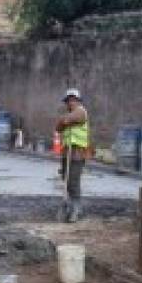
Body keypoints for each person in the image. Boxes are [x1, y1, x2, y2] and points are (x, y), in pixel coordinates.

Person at [54, 88, 89, 222]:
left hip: (78, 153)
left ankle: (76, 208)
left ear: (78, 101)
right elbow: (58, 127)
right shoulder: (68, 114)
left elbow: (68, 120)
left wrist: (64, 120)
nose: (71, 103)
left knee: (73, 182)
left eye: (73, 100)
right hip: (67, 152)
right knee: (66, 180)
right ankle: (69, 205)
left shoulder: (81, 111)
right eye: (68, 101)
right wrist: (64, 120)